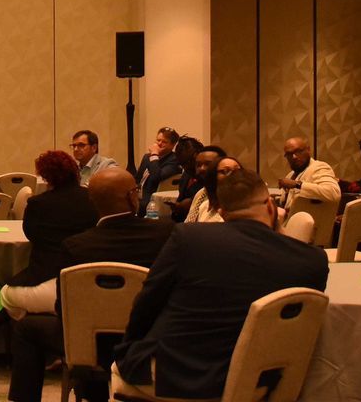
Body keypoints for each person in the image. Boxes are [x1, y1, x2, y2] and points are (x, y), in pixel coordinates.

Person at [114, 168, 329, 400]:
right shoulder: (312, 261)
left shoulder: (189, 238)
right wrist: (279, 231)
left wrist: (130, 347)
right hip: (261, 381)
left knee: (121, 364)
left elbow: (147, 302)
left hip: (176, 376)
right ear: (270, 207)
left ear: (222, 213)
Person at [7, 169, 175, 402]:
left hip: (90, 346)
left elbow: (62, 307)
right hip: (148, 341)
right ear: (131, 197)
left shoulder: (76, 247)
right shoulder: (166, 234)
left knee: (27, 328)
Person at [1, 150, 98, 315]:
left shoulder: (38, 204)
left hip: (49, 277)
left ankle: (29, 328)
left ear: (46, 177)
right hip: (89, 278)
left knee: (5, 293)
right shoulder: (93, 198)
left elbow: (31, 234)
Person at [276, 135, 340, 208]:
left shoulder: (319, 167)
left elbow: (333, 193)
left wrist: (297, 185)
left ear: (308, 150)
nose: (294, 157)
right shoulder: (290, 175)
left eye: (298, 151)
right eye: (289, 154)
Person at [172, 145, 225, 224]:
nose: (202, 168)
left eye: (208, 164)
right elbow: (189, 222)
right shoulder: (201, 193)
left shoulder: (227, 195)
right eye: (198, 165)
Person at [186, 156, 242, 224]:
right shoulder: (205, 206)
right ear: (213, 176)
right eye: (226, 171)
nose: (234, 174)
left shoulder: (245, 208)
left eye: (237, 170)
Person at [136, 127, 182, 201]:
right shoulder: (147, 157)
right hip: (138, 196)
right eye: (158, 140)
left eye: (164, 142)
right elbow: (138, 179)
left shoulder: (175, 160)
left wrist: (154, 155)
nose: (159, 144)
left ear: (173, 145)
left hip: (152, 200)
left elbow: (156, 177)